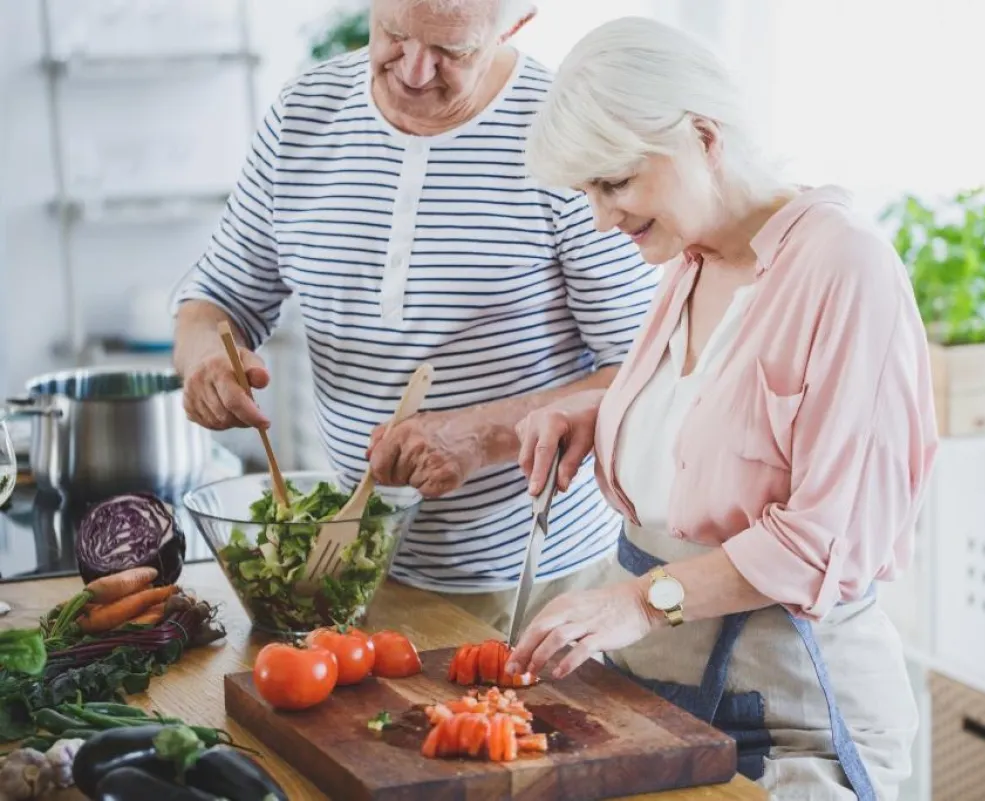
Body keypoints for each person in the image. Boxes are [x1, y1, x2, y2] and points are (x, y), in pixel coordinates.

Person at [505, 16, 939, 801]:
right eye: (588, 193)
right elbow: (723, 422)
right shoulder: (692, 258)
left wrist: (640, 600)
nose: (602, 217)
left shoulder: (846, 267)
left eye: (615, 183)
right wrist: (605, 413)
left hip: (793, 717)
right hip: (658, 696)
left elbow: (823, 541)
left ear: (704, 137)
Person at [170, 0, 659, 631]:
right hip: (353, 567)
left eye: (452, 51)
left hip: (533, 580)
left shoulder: (568, 137)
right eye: (395, 33)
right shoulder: (303, 114)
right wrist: (206, 360)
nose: (414, 71)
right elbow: (215, 300)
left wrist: (482, 435)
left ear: (516, 23)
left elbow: (646, 372)